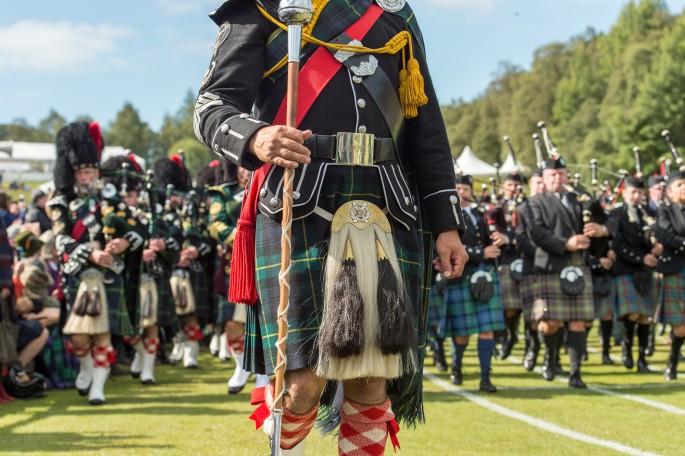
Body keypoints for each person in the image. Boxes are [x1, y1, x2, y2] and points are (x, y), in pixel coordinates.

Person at [194, 1, 468, 454]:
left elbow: (427, 128)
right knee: (303, 380)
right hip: (299, 200)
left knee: (372, 371)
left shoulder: (394, 13)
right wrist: (255, 137)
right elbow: (211, 107)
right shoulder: (263, 7)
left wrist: (446, 224)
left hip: (386, 200)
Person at [48, 122, 143, 405]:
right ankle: (87, 369)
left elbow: (140, 226)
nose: (86, 176)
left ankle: (98, 388)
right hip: (77, 275)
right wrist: (91, 254)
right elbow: (61, 241)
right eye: (81, 171)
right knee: (79, 338)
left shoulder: (110, 199)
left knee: (102, 335)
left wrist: (125, 242)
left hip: (107, 276)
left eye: (90, 170)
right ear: (72, 172)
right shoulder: (61, 203)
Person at [528, 156, 608, 388]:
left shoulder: (580, 199)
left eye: (561, 173)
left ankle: (575, 373)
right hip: (551, 265)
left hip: (577, 265)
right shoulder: (536, 202)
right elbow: (537, 232)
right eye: (553, 175)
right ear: (544, 178)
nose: (558, 178)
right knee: (551, 322)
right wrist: (566, 243)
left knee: (577, 321)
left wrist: (601, 230)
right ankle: (550, 357)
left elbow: (607, 220)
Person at [442, 174, 502, 392]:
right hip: (462, 276)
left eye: (465, 188)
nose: (462, 191)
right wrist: (481, 253)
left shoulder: (480, 213)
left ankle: (486, 377)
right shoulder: (446, 217)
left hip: (484, 277)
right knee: (462, 333)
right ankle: (456, 367)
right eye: (457, 187)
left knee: (487, 330)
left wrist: (498, 242)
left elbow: (490, 240)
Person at [608, 177, 660, 373]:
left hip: (645, 271)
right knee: (633, 312)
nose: (636, 196)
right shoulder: (616, 214)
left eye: (640, 193)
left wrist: (657, 249)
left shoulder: (650, 213)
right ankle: (627, 349)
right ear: (624, 192)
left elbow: (656, 237)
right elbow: (617, 244)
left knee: (645, 316)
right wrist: (641, 258)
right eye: (633, 192)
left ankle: (641, 359)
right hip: (626, 268)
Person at [655, 170, 685, 381]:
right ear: (670, 191)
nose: (684, 189)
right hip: (676, 269)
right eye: (680, 185)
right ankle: (673, 361)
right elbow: (664, 234)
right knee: (681, 326)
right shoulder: (665, 211)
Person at [516, 170, 543, 370]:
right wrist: (545, 252)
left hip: (552, 268)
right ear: (530, 186)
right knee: (532, 316)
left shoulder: (554, 207)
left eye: (544, 183)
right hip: (532, 266)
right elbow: (521, 238)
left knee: (552, 318)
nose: (541, 187)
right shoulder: (522, 208)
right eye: (537, 183)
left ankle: (552, 358)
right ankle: (532, 348)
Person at [497, 172, 525, 360]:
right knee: (509, 306)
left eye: (517, 185)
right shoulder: (496, 206)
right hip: (504, 259)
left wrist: (511, 238)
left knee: (525, 305)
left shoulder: (527, 205)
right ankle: (509, 336)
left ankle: (524, 341)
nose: (513, 188)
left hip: (524, 258)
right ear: (503, 186)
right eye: (510, 185)